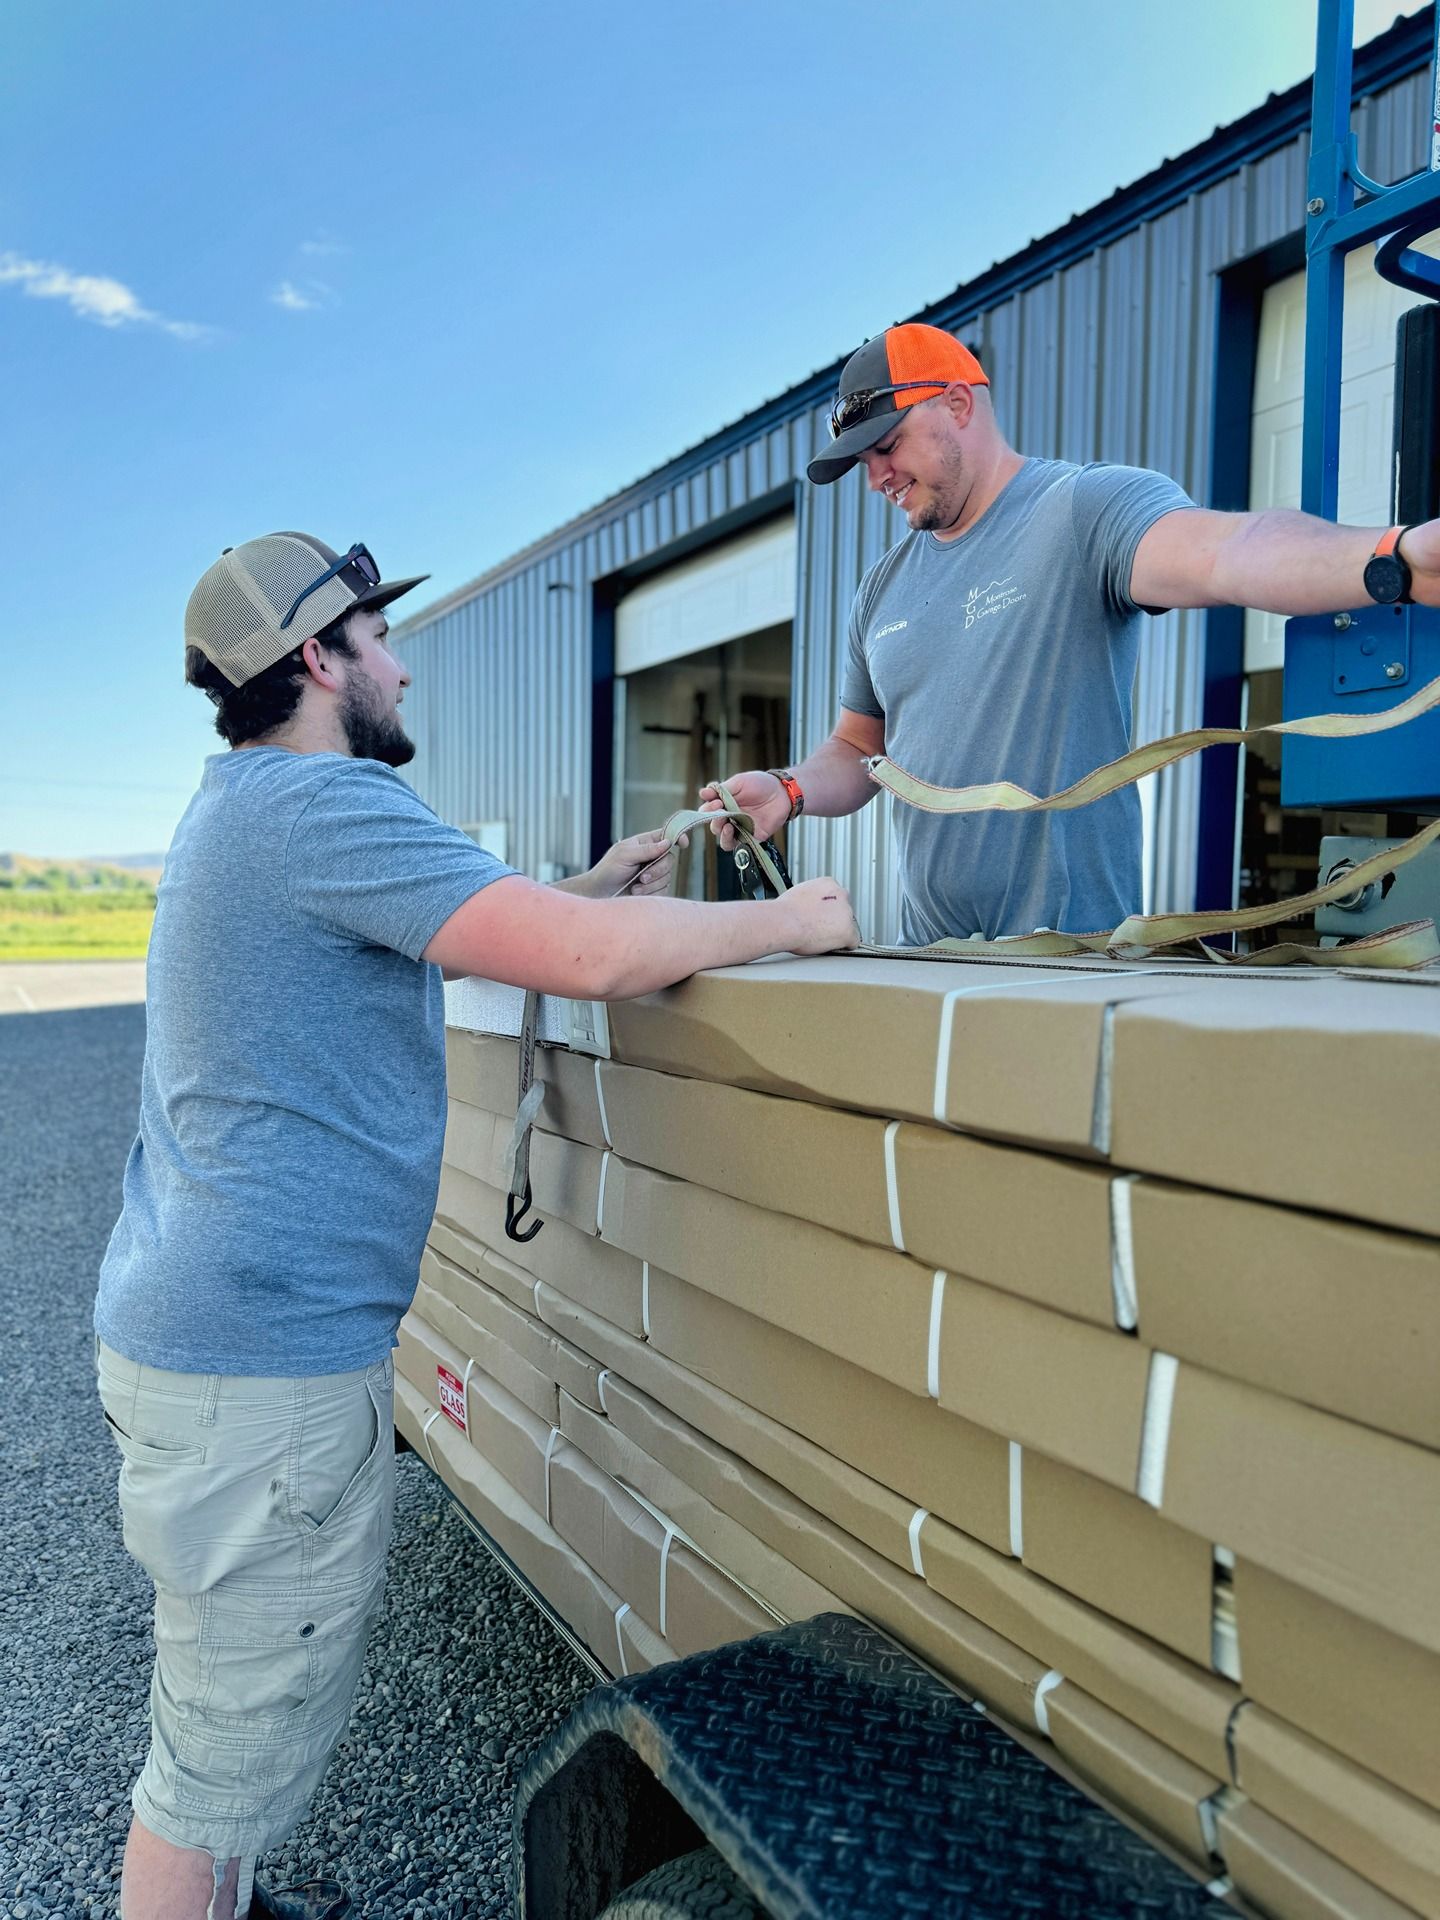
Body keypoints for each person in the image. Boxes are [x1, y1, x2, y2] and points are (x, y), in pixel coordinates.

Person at [94, 531, 858, 1920]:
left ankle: (225, 1895)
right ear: (320, 660)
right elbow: (577, 968)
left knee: (226, 1700)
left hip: (201, 1341)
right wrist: (787, 923)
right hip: (258, 1377)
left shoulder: (247, 810)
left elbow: (499, 927)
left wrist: (598, 882)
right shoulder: (321, 808)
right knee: (210, 1765)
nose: (402, 658)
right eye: (378, 637)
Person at [704, 321, 1440, 945]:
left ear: (958, 403)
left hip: (1070, 961)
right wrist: (788, 788)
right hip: (932, 961)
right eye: (864, 461)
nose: (877, 478)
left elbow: (1229, 550)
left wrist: (1393, 559)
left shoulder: (1083, 509)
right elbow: (857, 750)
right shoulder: (881, 588)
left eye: (887, 446)